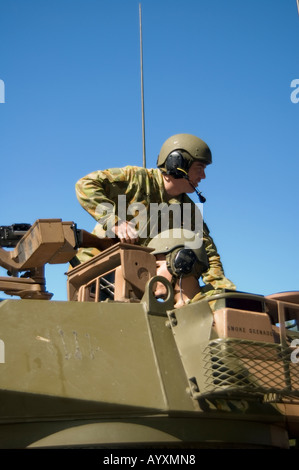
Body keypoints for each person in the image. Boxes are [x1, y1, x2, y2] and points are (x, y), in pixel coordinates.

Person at [75, 133, 236, 296]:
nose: (203, 176)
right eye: (199, 169)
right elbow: (86, 184)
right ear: (178, 163)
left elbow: (207, 251)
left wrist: (223, 291)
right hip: (93, 272)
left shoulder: (187, 211)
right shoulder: (136, 180)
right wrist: (114, 222)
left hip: (134, 280)